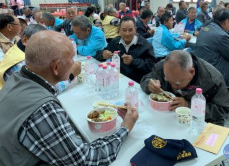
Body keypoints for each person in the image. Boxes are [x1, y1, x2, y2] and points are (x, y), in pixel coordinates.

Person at [0, 30, 139, 165]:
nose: (75, 62)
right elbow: (87, 160)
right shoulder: (44, 109)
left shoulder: (18, 78)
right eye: (71, 58)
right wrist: (125, 128)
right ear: (56, 67)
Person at [140, 50, 229, 125]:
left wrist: (189, 106)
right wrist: (149, 84)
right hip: (168, 118)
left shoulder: (213, 79)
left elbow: (222, 110)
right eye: (168, 80)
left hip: (198, 123)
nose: (173, 87)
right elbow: (146, 79)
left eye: (178, 83)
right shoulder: (166, 66)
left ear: (192, 72)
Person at [195, 9, 229, 111]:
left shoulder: (205, 29)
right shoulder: (222, 35)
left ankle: (223, 98)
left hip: (202, 68)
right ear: (226, 22)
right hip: (215, 72)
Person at [0, 24, 81, 91]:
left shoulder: (19, 49)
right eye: (40, 42)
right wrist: (71, 75)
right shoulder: (21, 63)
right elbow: (45, 91)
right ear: (25, 40)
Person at [95, 16, 156, 83]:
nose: (127, 34)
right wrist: (103, 54)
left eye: (130, 30)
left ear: (135, 29)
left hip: (136, 83)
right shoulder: (115, 43)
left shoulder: (145, 45)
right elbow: (97, 56)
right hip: (117, 80)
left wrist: (133, 61)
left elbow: (151, 67)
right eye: (124, 30)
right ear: (119, 30)